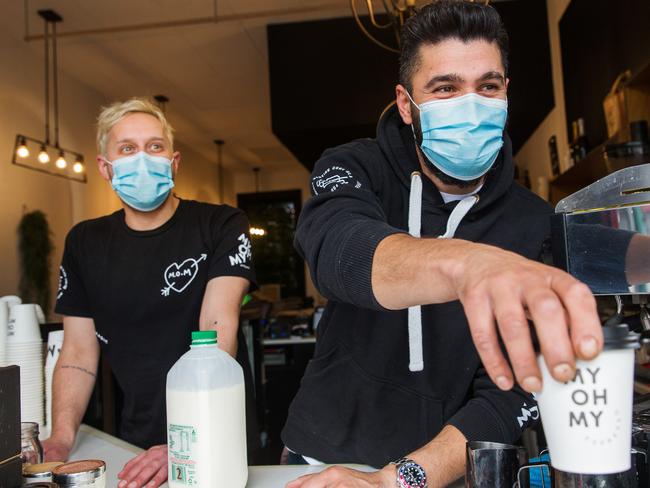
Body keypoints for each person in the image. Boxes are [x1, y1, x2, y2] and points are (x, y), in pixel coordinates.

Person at [282, 1, 603, 486]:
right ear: (407, 104)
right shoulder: (354, 167)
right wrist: (469, 266)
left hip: (441, 471)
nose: (470, 105)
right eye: (446, 88)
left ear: (506, 93)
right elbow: (339, 251)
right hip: (319, 461)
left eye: (488, 87)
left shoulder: (535, 223)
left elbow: (510, 394)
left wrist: (397, 480)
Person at [42, 98, 258, 488]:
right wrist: (60, 438)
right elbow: (77, 353)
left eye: (154, 146)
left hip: (216, 430)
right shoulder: (85, 242)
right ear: (105, 168)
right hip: (137, 442)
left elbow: (215, 329)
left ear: (173, 162)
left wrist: (181, 443)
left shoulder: (221, 224)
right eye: (127, 148)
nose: (143, 157)